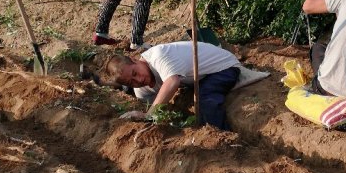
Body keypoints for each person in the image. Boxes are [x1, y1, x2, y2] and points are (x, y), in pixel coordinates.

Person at [98, 41, 242, 130]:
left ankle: (225, 139)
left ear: (135, 59)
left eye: (135, 73)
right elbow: (158, 107)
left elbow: (172, 81)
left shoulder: (158, 56)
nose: (139, 80)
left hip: (223, 67)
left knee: (205, 99)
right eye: (131, 82)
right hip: (199, 77)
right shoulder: (141, 90)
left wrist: (148, 114)